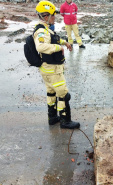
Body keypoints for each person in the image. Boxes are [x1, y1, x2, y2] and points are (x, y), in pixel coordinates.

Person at [34, 1, 80, 129]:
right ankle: (65, 120)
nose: (55, 18)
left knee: (51, 93)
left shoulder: (46, 29)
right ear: (45, 16)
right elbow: (41, 46)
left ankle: (53, 117)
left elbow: (54, 38)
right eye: (53, 15)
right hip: (52, 70)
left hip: (48, 69)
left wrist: (65, 43)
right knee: (63, 94)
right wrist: (58, 48)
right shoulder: (41, 31)